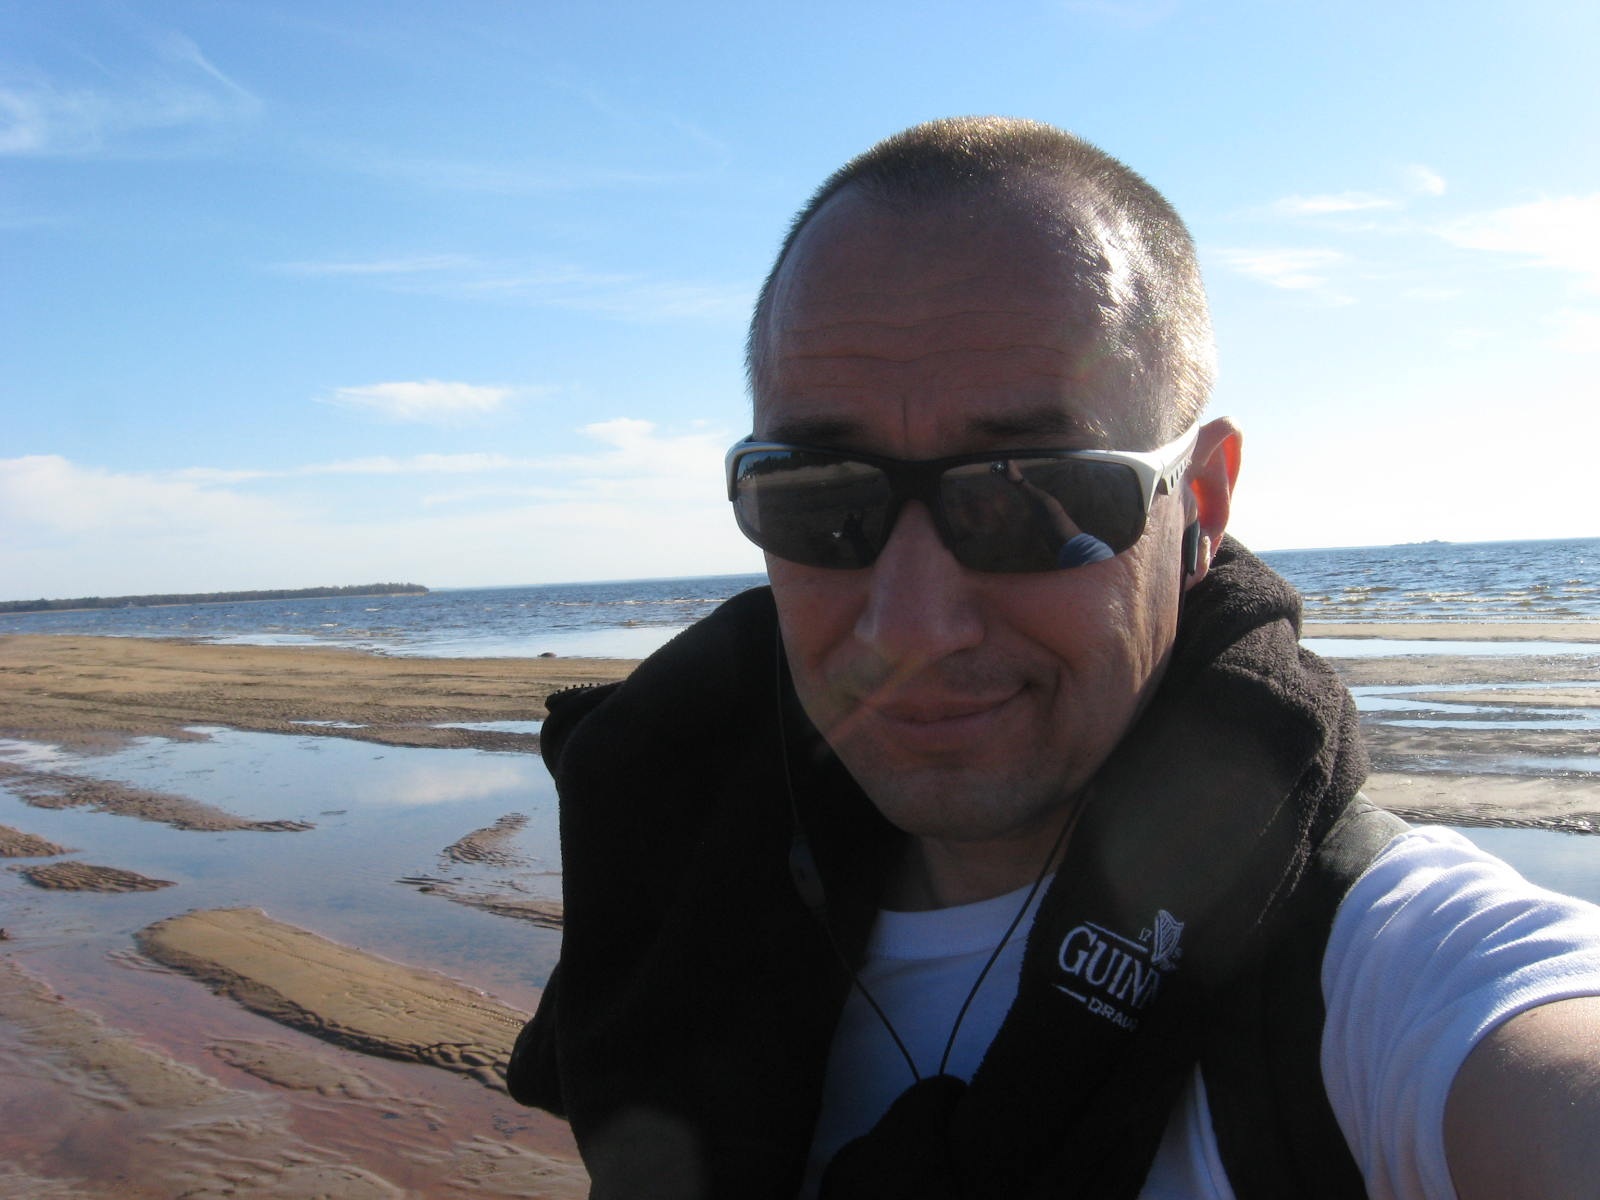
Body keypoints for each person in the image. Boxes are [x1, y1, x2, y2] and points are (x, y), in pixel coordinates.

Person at [507, 118, 1600, 1199]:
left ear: (1201, 503)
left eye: (1030, 495)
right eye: (818, 498)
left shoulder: (1385, 974)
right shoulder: (682, 883)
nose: (911, 626)